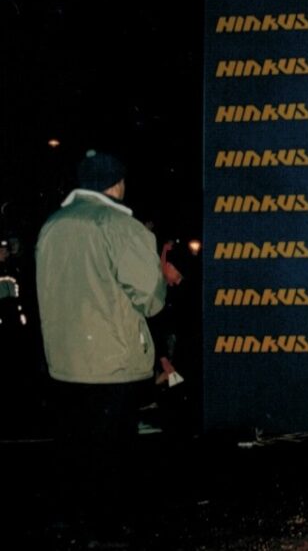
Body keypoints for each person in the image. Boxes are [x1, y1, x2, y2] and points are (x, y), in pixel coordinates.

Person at [35, 149, 166, 528]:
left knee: (74, 446)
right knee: (113, 451)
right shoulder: (122, 226)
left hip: (63, 360)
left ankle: (72, 521)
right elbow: (151, 298)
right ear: (117, 185)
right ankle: (107, 527)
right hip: (113, 361)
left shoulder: (52, 225)